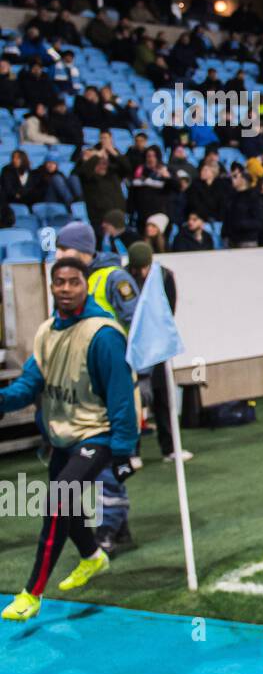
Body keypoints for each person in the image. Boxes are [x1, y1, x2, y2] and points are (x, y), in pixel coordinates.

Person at [0, 258, 139, 622]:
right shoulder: (47, 331)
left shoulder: (104, 334)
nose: (65, 289)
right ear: (51, 287)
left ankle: (31, 593)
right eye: (59, 282)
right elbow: (31, 383)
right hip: (63, 436)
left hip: (98, 433)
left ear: (85, 286)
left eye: (73, 282)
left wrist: (124, 451)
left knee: (57, 499)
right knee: (70, 507)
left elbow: (121, 396)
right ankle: (93, 557)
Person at [54, 221, 141, 554]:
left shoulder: (113, 279)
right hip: (81, 387)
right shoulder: (68, 284)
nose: (59, 255)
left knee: (105, 459)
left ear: (85, 251)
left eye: (65, 249)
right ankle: (118, 525)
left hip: (112, 384)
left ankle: (108, 526)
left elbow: (136, 326)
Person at [126, 241, 189, 462]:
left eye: (144, 267)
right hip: (133, 347)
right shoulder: (124, 278)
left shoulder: (164, 276)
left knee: (163, 397)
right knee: (133, 399)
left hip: (158, 346)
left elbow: (168, 310)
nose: (141, 272)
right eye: (138, 268)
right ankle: (132, 451)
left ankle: (170, 448)